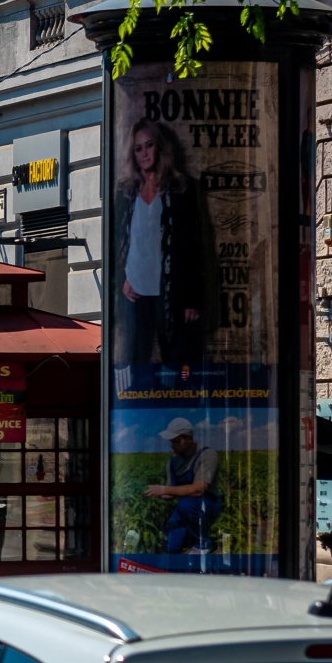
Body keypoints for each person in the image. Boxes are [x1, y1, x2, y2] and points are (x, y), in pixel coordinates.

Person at [111, 118, 212, 384]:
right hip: (134, 292)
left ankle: (176, 414)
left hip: (171, 291)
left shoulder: (181, 188)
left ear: (160, 148)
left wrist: (192, 299)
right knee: (134, 361)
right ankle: (136, 415)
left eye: (149, 145)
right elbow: (117, 241)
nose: (144, 153)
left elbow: (193, 245)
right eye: (138, 148)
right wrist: (121, 281)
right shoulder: (126, 191)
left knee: (176, 365)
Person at [141, 417, 221, 556]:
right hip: (186, 507)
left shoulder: (207, 455)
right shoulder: (173, 462)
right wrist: (156, 494)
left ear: (189, 438)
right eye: (171, 441)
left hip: (208, 503)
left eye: (176, 441)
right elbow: (170, 493)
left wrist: (164, 489)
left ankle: (203, 544)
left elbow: (199, 489)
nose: (172, 445)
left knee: (186, 505)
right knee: (171, 545)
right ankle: (190, 534)